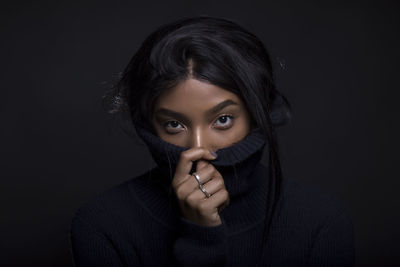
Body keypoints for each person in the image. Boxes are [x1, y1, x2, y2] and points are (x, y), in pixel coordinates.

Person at [70, 16, 355, 266]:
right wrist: (200, 239)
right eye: (174, 124)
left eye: (222, 120)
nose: (198, 148)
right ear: (149, 125)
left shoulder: (319, 221)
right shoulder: (104, 225)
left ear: (257, 116)